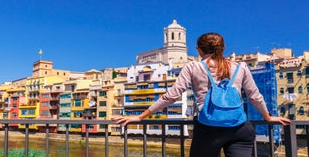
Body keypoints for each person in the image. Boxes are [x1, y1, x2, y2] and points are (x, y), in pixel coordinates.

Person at [113, 32, 291, 157]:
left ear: (198, 49)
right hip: (240, 128)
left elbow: (172, 95)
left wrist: (142, 116)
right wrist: (267, 117)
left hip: (208, 129)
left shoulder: (193, 67)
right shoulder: (241, 67)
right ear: (223, 48)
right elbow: (254, 96)